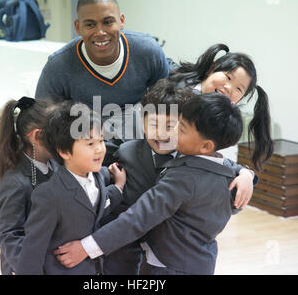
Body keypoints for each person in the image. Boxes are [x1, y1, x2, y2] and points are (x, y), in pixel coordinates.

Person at [54, 87, 256, 275]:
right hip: (169, 257)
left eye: (179, 127)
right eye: (154, 124)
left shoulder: (185, 176)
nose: (167, 133)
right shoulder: (218, 168)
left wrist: (86, 248)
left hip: (170, 262)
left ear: (205, 145)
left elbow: (139, 217)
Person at [34, 0, 169, 152]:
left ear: (122, 21)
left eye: (108, 22)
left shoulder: (148, 51)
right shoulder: (58, 66)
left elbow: (166, 106)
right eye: (90, 24)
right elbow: (43, 121)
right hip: (87, 152)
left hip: (141, 147)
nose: (100, 32)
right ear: (78, 27)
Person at [15, 101, 126, 275]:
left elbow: (98, 205)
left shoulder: (99, 175)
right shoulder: (49, 195)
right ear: (64, 151)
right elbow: (33, 249)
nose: (99, 149)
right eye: (90, 144)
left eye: (101, 140)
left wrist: (118, 186)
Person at [169, 43, 273, 170]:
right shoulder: (180, 94)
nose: (229, 88)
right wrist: (240, 171)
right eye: (228, 77)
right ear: (211, 69)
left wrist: (243, 172)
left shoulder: (222, 118)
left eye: (239, 89)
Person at [0, 96, 59, 275]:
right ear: (37, 137)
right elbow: (10, 237)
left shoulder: (54, 164)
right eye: (59, 134)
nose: (65, 139)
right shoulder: (14, 183)